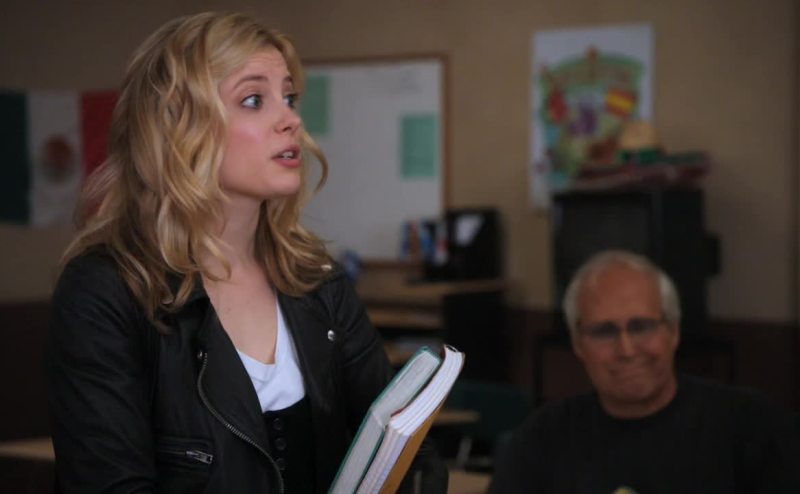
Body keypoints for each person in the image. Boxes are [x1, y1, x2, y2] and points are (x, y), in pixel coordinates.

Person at [46, 12, 446, 493]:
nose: (292, 119)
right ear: (177, 126)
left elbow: (409, 454)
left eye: (289, 97)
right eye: (254, 100)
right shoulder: (106, 291)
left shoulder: (317, 280)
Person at [491, 250, 799, 494]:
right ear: (578, 344)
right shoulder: (541, 439)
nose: (626, 350)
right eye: (604, 331)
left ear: (673, 331)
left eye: (641, 327)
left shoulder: (752, 427)